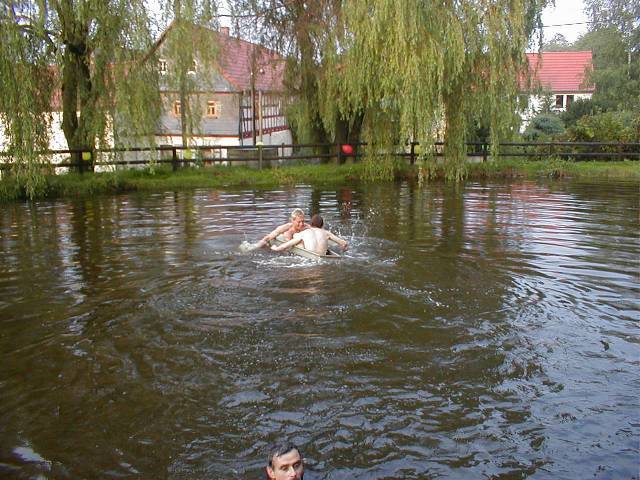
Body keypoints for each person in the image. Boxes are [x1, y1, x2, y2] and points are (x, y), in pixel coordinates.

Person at [271, 214, 348, 255]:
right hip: (324, 257)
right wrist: (343, 249)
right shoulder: (326, 233)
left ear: (310, 224)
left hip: (310, 258)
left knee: (298, 242)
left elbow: (287, 244)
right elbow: (344, 243)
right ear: (322, 225)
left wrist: (276, 248)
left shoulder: (303, 233)